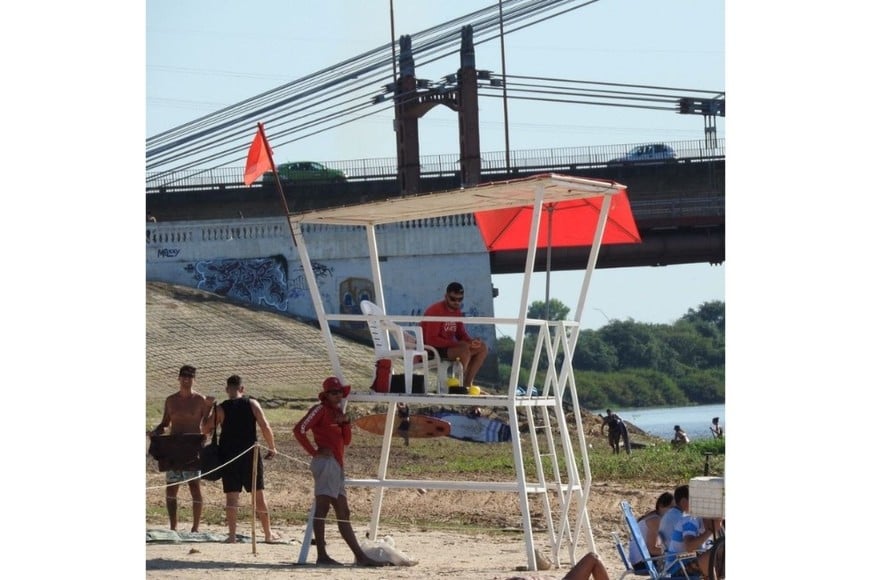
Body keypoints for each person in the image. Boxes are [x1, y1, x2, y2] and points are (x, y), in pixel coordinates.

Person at [293, 377, 385, 567]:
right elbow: (299, 429)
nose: (338, 396)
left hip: (336, 464)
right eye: (334, 393)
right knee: (324, 508)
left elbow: (347, 441)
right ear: (326, 395)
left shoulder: (337, 413)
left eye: (339, 393)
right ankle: (324, 555)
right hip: (326, 463)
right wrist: (314, 451)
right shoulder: (320, 410)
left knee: (343, 511)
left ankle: (358, 556)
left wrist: (345, 424)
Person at [202, 374, 279, 543]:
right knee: (258, 495)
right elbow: (265, 425)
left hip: (229, 456)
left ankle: (231, 535)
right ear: (242, 389)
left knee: (231, 497)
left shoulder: (221, 408)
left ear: (227, 389)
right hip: (250, 455)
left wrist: (208, 408)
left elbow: (205, 429)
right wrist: (272, 446)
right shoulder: (252, 403)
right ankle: (268, 534)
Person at [148, 364, 214, 532]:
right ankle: (173, 526)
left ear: (194, 379)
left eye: (190, 376)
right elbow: (164, 424)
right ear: (178, 378)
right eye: (184, 375)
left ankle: (195, 528)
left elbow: (207, 424)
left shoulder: (200, 400)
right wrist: (155, 431)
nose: (186, 379)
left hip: (192, 448)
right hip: (174, 448)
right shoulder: (171, 400)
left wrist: (209, 407)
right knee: (171, 488)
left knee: (194, 487)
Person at [421, 282, 489, 390]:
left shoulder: (457, 311)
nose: (456, 302)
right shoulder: (435, 311)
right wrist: (458, 344)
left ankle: (467, 383)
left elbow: (461, 334)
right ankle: (459, 384)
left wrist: (471, 341)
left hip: (449, 348)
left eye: (460, 299)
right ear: (446, 296)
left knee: (482, 347)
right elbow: (431, 340)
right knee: (463, 349)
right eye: (453, 299)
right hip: (432, 350)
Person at [660, 484, 723, 579]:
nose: (719, 523)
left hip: (688, 563)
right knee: (714, 554)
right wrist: (710, 531)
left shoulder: (703, 525)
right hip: (676, 568)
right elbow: (689, 546)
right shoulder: (691, 521)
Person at [628, 492, 674, 572]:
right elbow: (652, 549)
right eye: (672, 508)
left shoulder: (654, 516)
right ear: (661, 506)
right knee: (686, 564)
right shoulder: (655, 520)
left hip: (639, 560)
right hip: (643, 563)